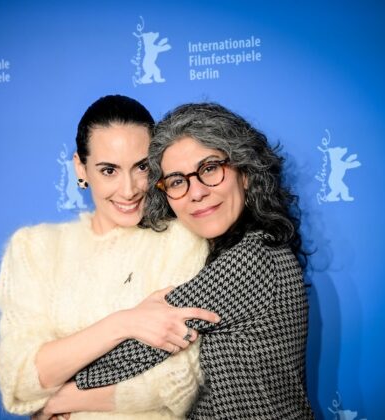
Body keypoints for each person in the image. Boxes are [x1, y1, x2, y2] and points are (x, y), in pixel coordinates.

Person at [74, 103, 315, 419]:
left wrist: (55, 399)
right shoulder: (223, 253)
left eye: (210, 169)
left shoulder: (251, 259)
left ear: (245, 173)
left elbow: (126, 356)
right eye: (177, 181)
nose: (196, 192)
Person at [0, 95, 220, 419]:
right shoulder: (34, 248)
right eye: (109, 170)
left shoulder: (182, 239)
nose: (128, 190)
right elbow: (18, 378)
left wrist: (59, 400)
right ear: (80, 168)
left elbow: (176, 380)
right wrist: (122, 324)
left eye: (141, 166)